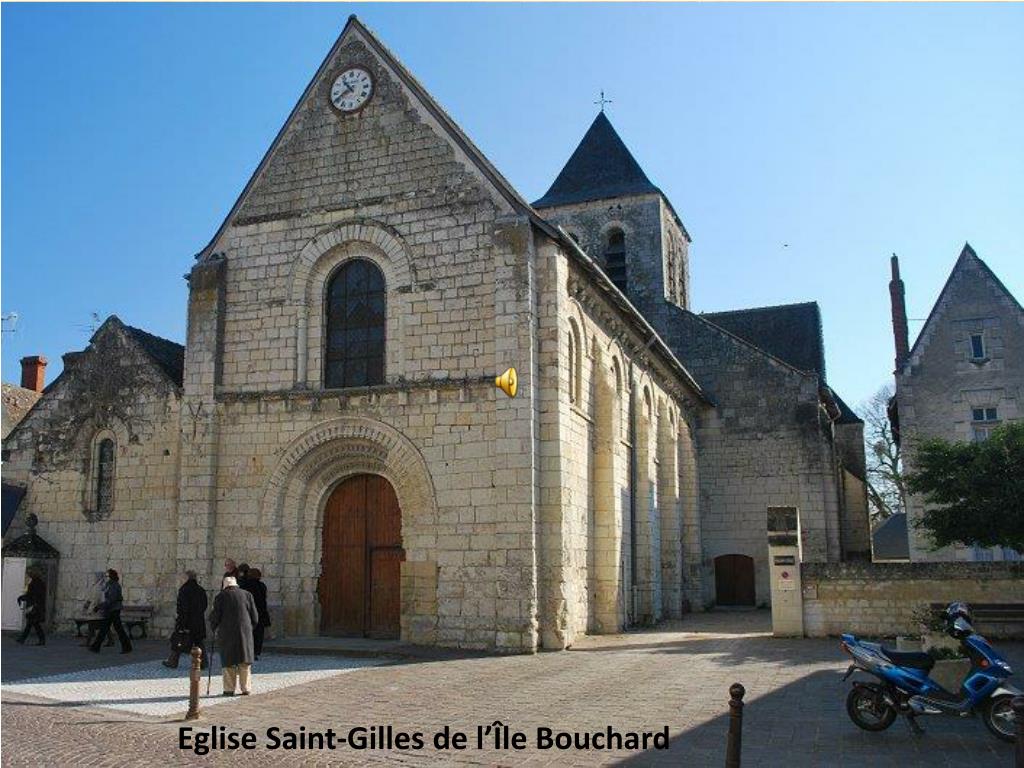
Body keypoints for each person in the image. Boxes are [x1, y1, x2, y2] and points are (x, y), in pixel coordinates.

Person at [209, 575, 258, 696]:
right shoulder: (247, 595)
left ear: (225, 586)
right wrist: (250, 628)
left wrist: (213, 627)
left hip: (227, 632)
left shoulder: (221, 596)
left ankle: (229, 689)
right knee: (244, 660)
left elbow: (215, 616)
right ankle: (246, 688)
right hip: (244, 632)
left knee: (228, 661)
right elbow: (255, 617)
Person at [163, 570, 208, 670]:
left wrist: (181, 623)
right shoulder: (201, 590)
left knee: (178, 641)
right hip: (198, 621)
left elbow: (182, 608)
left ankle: (172, 661)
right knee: (199, 641)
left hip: (187, 621)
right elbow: (204, 605)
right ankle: (203, 663)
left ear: (187, 578)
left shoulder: (184, 590)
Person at [88, 569, 133, 654]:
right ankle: (96, 647)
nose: (106, 577)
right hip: (110, 610)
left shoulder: (114, 585)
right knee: (106, 628)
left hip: (113, 610)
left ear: (111, 576)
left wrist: (99, 606)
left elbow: (111, 599)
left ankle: (126, 647)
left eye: (107, 576)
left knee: (115, 629)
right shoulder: (109, 585)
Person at [244, 568, 271, 660]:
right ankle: (255, 652)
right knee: (258, 634)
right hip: (260, 612)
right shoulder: (262, 586)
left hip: (248, 613)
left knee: (249, 634)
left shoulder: (245, 585)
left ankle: (248, 652)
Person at [16, 569, 46, 646]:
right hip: (36, 606)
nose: (29, 575)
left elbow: (32, 595)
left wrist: (22, 598)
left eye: (30, 574)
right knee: (32, 623)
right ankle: (23, 639)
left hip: (35, 607)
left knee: (33, 623)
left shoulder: (36, 583)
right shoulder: (38, 582)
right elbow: (32, 595)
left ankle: (40, 639)